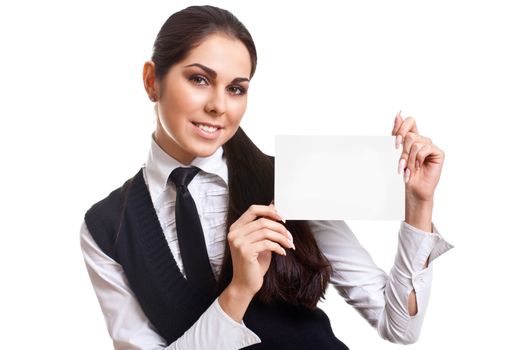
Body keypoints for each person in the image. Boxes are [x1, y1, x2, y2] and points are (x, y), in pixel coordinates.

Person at [80, 5, 453, 349]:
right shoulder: (105, 226)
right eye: (198, 79)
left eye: (236, 89)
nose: (218, 106)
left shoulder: (289, 177)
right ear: (151, 81)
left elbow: (401, 327)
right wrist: (239, 290)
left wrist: (419, 205)